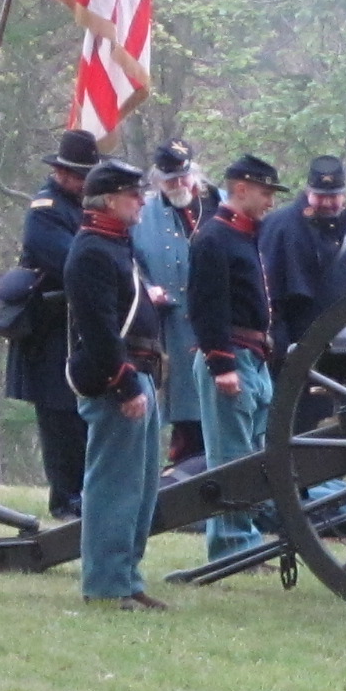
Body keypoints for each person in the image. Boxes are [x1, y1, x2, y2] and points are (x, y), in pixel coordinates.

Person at [64, 159, 168, 610]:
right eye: (133, 194)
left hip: (139, 371)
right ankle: (107, 582)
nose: (141, 200)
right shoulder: (91, 251)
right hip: (116, 379)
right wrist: (125, 384)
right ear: (109, 200)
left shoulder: (115, 246)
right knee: (114, 487)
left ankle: (127, 576)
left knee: (141, 488)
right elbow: (99, 329)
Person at [188, 154, 291, 561]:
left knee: (252, 451)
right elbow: (206, 307)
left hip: (254, 356)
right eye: (264, 193)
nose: (269, 202)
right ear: (241, 189)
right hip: (230, 356)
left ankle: (246, 534)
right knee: (230, 458)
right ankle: (231, 545)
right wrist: (221, 362)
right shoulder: (213, 238)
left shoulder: (247, 235)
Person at [6, 129, 99, 520]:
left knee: (82, 415)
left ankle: (86, 492)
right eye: (81, 176)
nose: (85, 184)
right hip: (50, 330)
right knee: (58, 416)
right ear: (62, 174)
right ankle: (65, 497)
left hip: (79, 329)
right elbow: (70, 263)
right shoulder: (46, 209)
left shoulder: (85, 208)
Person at [259, 155, 346, 430]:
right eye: (320, 195)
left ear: (343, 195)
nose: (327, 203)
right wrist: (282, 354)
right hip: (303, 353)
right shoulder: (281, 226)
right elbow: (269, 296)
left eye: (333, 196)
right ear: (308, 192)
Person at [131, 139, 218, 465]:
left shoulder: (218, 206)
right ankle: (186, 469)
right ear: (158, 180)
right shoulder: (143, 214)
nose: (178, 185)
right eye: (170, 180)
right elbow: (130, 264)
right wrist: (148, 289)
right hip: (170, 330)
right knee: (184, 414)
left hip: (214, 323)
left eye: (183, 177)